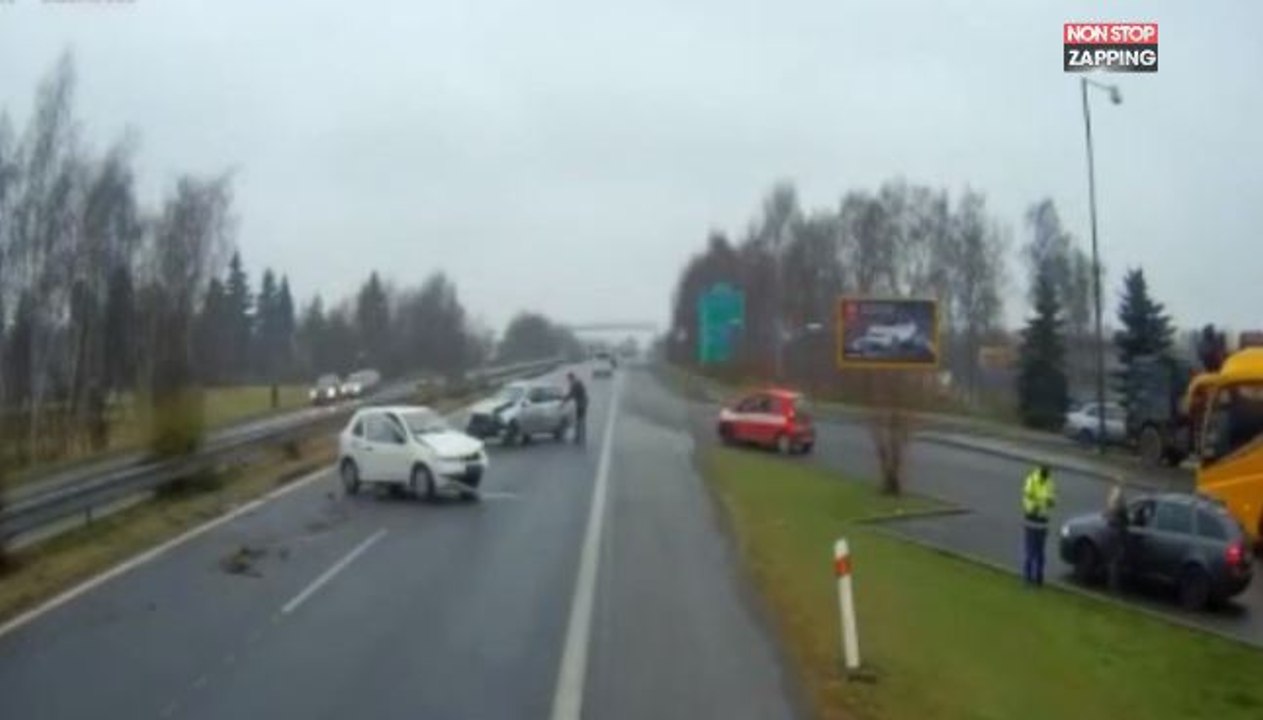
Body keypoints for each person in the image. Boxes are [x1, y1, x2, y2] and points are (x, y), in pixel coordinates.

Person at [1021, 463, 1057, 587]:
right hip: (1032, 519)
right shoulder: (1031, 480)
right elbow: (1027, 498)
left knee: (1041, 552)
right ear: (1041, 470)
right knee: (1030, 551)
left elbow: (1052, 499)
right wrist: (1033, 507)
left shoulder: (1049, 482)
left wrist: (1050, 502)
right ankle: (1027, 578)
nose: (1048, 473)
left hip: (1043, 520)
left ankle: (1039, 578)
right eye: (1046, 471)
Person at [1105, 478, 1130, 591]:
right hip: (1117, 528)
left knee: (1113, 558)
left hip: (1111, 526)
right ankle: (1114, 585)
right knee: (1116, 558)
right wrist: (1127, 521)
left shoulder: (1112, 495)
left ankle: (1112, 583)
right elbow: (1123, 511)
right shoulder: (1119, 496)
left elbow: (1109, 511)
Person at [563, 371, 589, 444]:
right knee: (581, 420)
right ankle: (581, 436)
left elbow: (571, 394)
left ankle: (578, 437)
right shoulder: (577, 381)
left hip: (581, 403)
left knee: (579, 420)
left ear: (570, 377)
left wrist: (564, 401)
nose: (568, 380)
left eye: (568, 378)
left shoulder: (574, 383)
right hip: (582, 402)